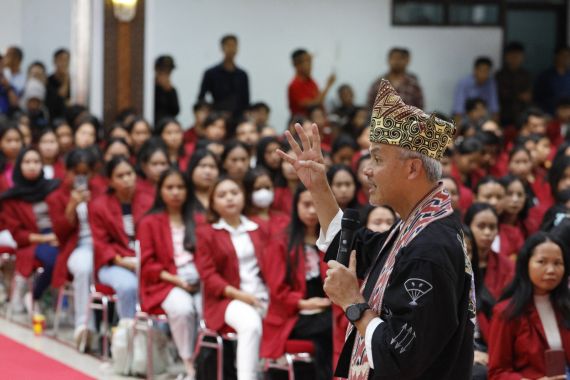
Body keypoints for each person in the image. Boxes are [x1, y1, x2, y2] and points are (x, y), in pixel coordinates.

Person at [278, 79, 474, 379]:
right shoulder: (418, 226)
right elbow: (357, 245)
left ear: (412, 169)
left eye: (378, 158)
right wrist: (318, 185)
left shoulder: (429, 247)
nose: (366, 169)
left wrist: (353, 303)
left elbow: (401, 358)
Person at [194, 177, 272, 380]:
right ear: (213, 204)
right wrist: (241, 295)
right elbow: (208, 276)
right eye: (222, 195)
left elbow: (274, 266)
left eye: (234, 193)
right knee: (251, 324)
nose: (229, 198)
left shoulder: (260, 228)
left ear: (244, 196)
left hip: (263, 294)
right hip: (226, 300)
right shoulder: (207, 233)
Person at [263, 184, 333, 380]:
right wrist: (304, 303)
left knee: (337, 323)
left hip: (325, 307)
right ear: (296, 206)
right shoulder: (281, 242)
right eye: (306, 204)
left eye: (316, 205)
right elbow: (278, 291)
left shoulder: (331, 240)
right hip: (292, 313)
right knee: (332, 326)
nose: (312, 210)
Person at [138, 168, 203, 379]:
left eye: (180, 187)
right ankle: (188, 361)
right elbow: (147, 265)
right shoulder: (150, 222)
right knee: (183, 309)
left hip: (199, 278)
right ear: (160, 191)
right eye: (170, 187)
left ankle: (206, 359)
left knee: (206, 309)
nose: (175, 192)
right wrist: (177, 280)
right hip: (164, 281)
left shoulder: (198, 219)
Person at [488, 232, 570, 379]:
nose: (551, 270)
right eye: (542, 262)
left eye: (558, 263)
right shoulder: (506, 312)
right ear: (526, 264)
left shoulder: (566, 307)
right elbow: (497, 373)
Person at [46, 148, 106, 349]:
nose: (81, 178)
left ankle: (109, 328)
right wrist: (71, 205)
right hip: (76, 248)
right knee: (83, 268)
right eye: (76, 172)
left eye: (85, 173)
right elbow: (61, 234)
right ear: (67, 171)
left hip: (103, 246)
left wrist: (95, 205)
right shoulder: (56, 197)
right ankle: (83, 325)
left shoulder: (101, 191)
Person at [88, 156, 153, 320]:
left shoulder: (149, 200)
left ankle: (156, 336)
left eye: (129, 174)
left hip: (144, 260)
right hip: (113, 264)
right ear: (110, 181)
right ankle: (127, 331)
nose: (126, 179)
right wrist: (122, 261)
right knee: (128, 285)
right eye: (120, 176)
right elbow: (101, 244)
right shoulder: (99, 206)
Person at [1, 148, 60, 314]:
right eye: (27, 162)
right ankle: (34, 295)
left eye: (36, 162)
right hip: (33, 241)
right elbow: (18, 235)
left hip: (59, 235)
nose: (32, 166)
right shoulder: (11, 197)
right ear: (19, 166)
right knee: (55, 260)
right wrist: (47, 238)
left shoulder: (54, 187)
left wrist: (59, 235)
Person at [198, 35, 250, 119]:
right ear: (222, 48)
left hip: (238, 117)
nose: (231, 49)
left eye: (234, 45)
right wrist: (209, 112)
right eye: (228, 45)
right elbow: (201, 97)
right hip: (217, 116)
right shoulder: (211, 73)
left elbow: (246, 101)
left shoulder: (242, 74)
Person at [288, 48, 336, 117]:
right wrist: (328, 85)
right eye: (307, 61)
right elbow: (314, 104)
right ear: (296, 64)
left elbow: (319, 99)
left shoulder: (312, 82)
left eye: (310, 61)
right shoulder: (294, 85)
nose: (311, 65)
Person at [453, 57, 499, 124]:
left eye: (486, 71)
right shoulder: (464, 83)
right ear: (475, 70)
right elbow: (458, 109)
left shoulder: (491, 83)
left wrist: (495, 127)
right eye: (482, 71)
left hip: (483, 118)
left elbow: (494, 108)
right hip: (466, 117)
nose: (484, 74)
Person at [495, 42, 532, 126]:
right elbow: (502, 94)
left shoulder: (526, 75)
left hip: (522, 114)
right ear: (506, 57)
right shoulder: (500, 75)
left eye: (518, 56)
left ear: (522, 57)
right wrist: (519, 95)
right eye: (512, 56)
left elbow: (528, 95)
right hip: (504, 114)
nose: (515, 59)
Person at [534, 46, 570, 115]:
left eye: (568, 56)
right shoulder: (545, 76)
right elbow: (537, 98)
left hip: (567, 116)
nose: (566, 58)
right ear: (556, 56)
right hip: (549, 115)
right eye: (563, 55)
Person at [154, 55, 180, 125]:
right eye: (163, 70)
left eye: (169, 71)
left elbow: (176, 111)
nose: (166, 73)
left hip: (167, 125)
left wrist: (169, 91)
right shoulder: (150, 89)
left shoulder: (171, 89)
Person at [46, 48, 71, 121]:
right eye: (61, 60)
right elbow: (61, 94)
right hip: (53, 117)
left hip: (68, 117)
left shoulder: (72, 81)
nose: (64, 63)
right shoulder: (48, 80)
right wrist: (66, 79)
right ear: (54, 61)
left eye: (67, 60)